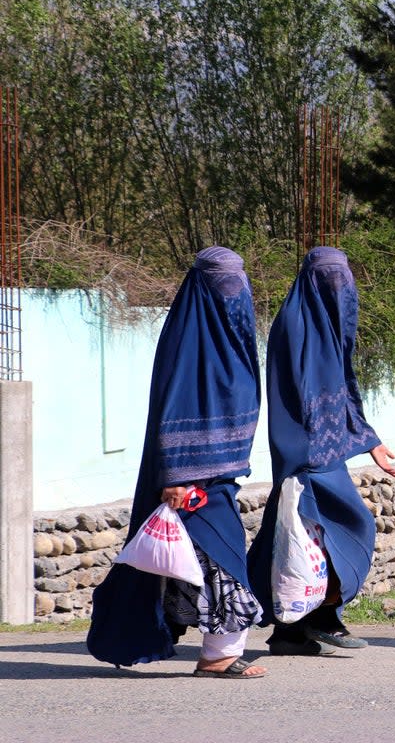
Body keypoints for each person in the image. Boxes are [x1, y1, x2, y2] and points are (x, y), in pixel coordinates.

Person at [87, 247, 266, 678]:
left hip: (221, 474)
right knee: (225, 560)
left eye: (238, 278)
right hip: (191, 478)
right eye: (224, 280)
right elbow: (176, 406)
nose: (234, 289)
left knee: (199, 564)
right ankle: (217, 656)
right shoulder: (191, 343)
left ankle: (203, 649)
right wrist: (178, 475)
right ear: (204, 287)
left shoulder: (230, 344)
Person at [247, 246, 395, 656]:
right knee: (346, 528)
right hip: (305, 454)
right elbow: (298, 399)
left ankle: (289, 632)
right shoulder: (296, 326)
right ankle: (324, 618)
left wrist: (370, 441)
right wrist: (307, 453)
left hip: (323, 452)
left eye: (344, 278)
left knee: (298, 538)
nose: (341, 288)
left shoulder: (325, 329)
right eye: (332, 279)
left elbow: (343, 389)